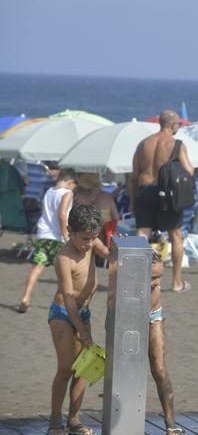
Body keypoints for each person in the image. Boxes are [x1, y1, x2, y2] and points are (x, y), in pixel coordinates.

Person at [46, 204, 104, 435]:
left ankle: (74, 420)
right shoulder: (64, 257)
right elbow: (69, 299)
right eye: (84, 239)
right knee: (65, 368)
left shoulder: (91, 241)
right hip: (63, 313)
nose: (89, 244)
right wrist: (82, 330)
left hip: (83, 312)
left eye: (94, 238)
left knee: (84, 368)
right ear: (70, 230)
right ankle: (54, 422)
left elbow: (111, 254)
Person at [130, 110, 194, 293]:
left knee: (142, 235)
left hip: (144, 191)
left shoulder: (143, 144)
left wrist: (133, 200)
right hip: (167, 194)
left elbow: (134, 176)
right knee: (175, 236)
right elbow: (189, 171)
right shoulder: (177, 145)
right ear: (173, 126)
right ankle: (176, 282)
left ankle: (137, 281)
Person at [17, 168, 77, 313]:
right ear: (70, 182)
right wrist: (66, 236)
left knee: (36, 268)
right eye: (74, 185)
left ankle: (25, 298)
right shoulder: (67, 193)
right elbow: (62, 215)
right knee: (64, 273)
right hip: (58, 238)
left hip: (43, 235)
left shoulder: (49, 191)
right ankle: (59, 304)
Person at [147, 250, 185, 434]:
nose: (157, 282)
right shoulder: (123, 279)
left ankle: (170, 420)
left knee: (160, 370)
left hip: (154, 316)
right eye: (152, 278)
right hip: (128, 317)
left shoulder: (156, 285)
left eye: (160, 277)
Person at [74, 172, 120, 246]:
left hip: (84, 237)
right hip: (104, 236)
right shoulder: (106, 197)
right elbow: (116, 218)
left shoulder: (78, 197)